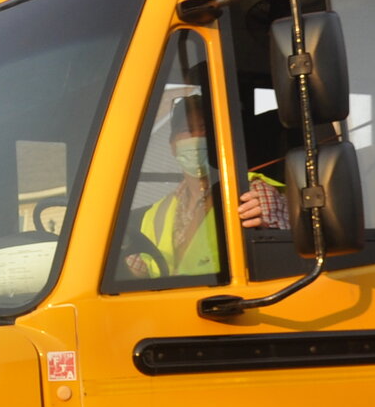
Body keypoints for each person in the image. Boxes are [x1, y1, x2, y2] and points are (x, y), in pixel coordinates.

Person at [121, 93, 285, 279]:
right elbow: (133, 274)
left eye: (206, 129)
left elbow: (285, 253)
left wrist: (266, 231)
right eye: (187, 130)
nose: (197, 137)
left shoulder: (252, 193)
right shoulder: (155, 214)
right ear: (173, 145)